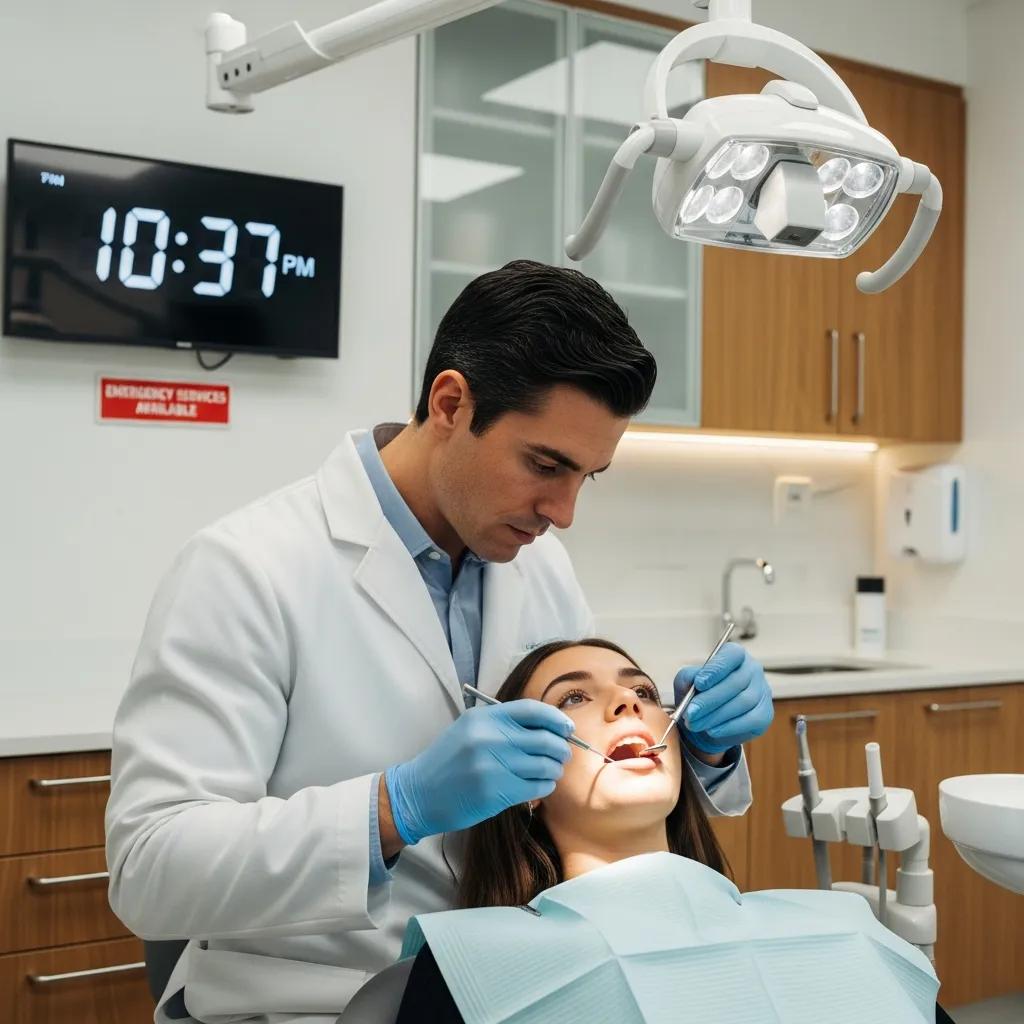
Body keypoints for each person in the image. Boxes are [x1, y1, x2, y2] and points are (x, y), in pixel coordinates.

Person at [104, 260, 774, 1024]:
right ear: (451, 402)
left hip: (511, 990)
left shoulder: (536, 562)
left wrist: (710, 750)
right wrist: (395, 809)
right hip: (308, 1002)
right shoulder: (246, 569)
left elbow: (572, 794)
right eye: (545, 464)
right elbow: (148, 870)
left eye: (589, 476)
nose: (563, 511)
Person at [378, 639, 954, 1024]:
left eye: (646, 693)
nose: (626, 701)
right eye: (574, 697)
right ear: (523, 781)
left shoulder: (840, 929)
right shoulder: (474, 964)